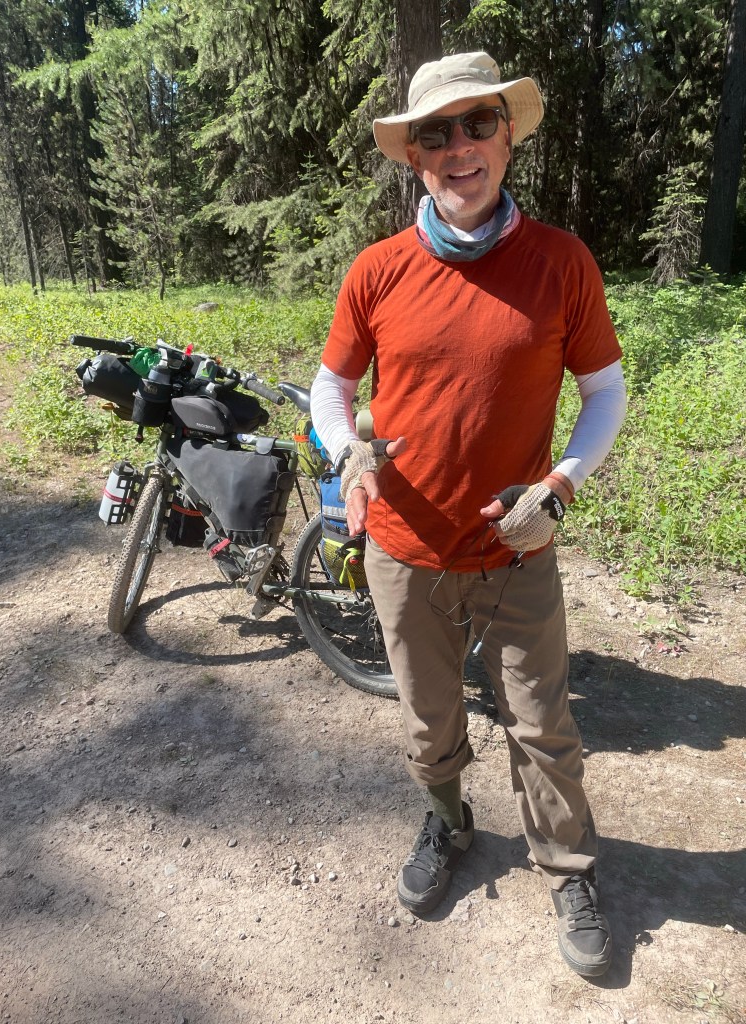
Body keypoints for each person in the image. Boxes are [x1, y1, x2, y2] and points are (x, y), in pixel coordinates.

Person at [310, 51, 627, 978]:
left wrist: (558, 485)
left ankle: (567, 868)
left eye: (478, 123)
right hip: (404, 550)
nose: (459, 147)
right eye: (436, 133)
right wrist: (347, 452)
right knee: (428, 717)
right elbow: (332, 388)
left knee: (542, 724)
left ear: (508, 136)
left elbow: (604, 391)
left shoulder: (562, 262)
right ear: (415, 157)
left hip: (517, 551)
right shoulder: (377, 270)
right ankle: (447, 823)